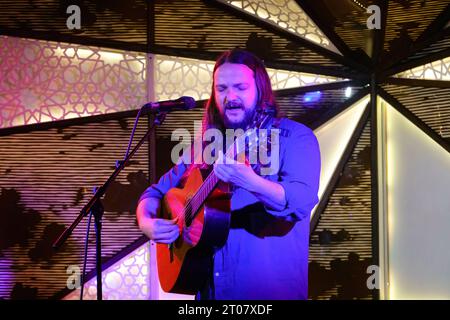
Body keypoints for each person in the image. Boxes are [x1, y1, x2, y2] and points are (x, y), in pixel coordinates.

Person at [136, 49, 321, 300]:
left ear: (260, 90)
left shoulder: (295, 137)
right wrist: (147, 223)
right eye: (221, 88)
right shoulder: (203, 147)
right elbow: (155, 192)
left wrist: (250, 181)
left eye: (240, 87)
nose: (230, 97)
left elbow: (299, 202)